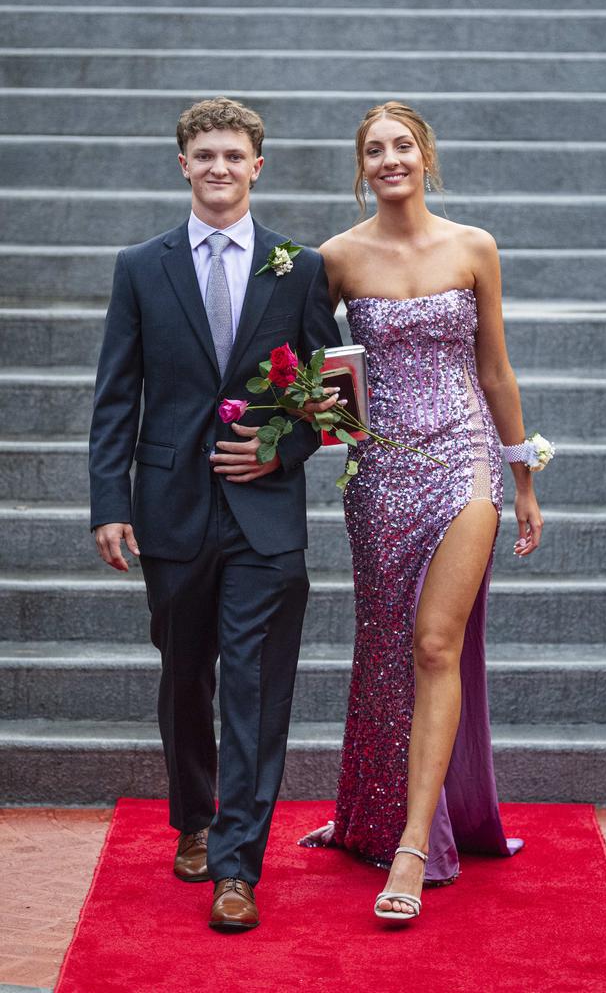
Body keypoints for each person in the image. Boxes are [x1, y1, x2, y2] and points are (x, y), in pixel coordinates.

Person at [89, 96, 341, 932]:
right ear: (184, 166)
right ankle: (194, 817)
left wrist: (285, 450)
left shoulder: (299, 268)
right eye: (206, 157)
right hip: (170, 510)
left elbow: (331, 399)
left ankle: (238, 864)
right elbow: (116, 396)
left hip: (266, 515)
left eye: (235, 157)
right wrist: (108, 502)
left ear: (257, 166)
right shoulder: (140, 265)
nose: (221, 170)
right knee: (185, 674)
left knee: (258, 690)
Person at [300, 100, 544, 922]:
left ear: (426, 155)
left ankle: (413, 846)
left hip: (465, 459)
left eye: (403, 145)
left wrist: (523, 476)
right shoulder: (334, 258)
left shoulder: (474, 246)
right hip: (378, 474)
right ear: (361, 166)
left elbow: (497, 369)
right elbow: (311, 371)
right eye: (375, 150)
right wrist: (324, 419)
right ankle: (368, 812)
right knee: (383, 643)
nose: (390, 159)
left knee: (436, 642)